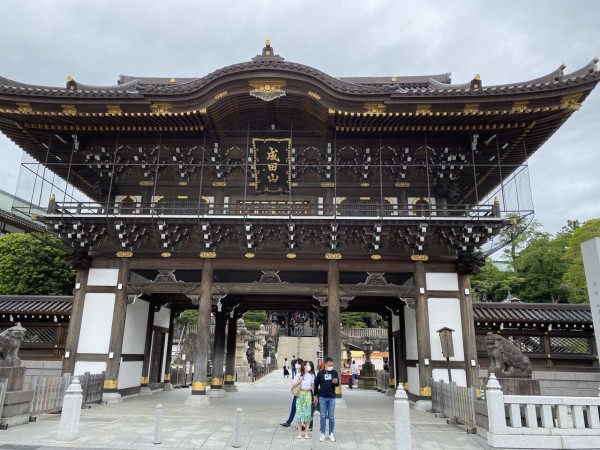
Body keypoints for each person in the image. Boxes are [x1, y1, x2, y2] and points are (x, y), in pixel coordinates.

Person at [314, 357, 339, 442]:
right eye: (329, 365)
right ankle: (323, 433)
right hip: (322, 397)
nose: (331, 367)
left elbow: (337, 384)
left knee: (331, 416)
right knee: (323, 416)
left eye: (332, 365)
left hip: (331, 397)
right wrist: (315, 395)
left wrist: (336, 382)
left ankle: (331, 433)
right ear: (325, 364)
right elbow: (316, 384)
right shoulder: (320, 373)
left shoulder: (334, 372)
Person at [294, 360, 315, 439]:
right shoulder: (298, 374)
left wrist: (315, 396)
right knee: (299, 413)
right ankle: (299, 433)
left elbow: (312, 387)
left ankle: (306, 433)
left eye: (309, 365)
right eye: (307, 365)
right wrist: (300, 380)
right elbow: (293, 384)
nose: (309, 366)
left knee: (307, 414)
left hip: (308, 394)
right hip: (300, 394)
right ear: (304, 366)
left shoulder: (311, 376)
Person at [280, 358, 303, 427]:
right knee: (294, 407)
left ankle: (303, 424)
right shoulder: (298, 373)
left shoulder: (302, 374)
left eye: (297, 363)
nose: (296, 365)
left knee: (300, 409)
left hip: (301, 393)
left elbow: (295, 384)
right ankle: (289, 422)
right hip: (297, 393)